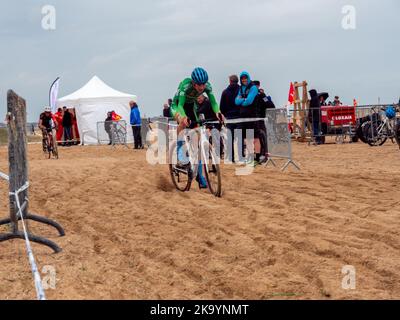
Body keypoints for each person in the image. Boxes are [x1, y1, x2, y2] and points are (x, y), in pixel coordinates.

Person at [170, 67, 224, 189]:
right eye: (199, 85)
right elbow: (180, 105)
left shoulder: (207, 86)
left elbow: (214, 103)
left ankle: (199, 175)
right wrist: (183, 117)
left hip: (191, 106)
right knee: (183, 123)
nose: (201, 87)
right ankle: (180, 154)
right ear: (193, 83)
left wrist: (218, 112)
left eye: (203, 84)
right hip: (178, 105)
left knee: (198, 138)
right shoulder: (185, 85)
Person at [235, 71, 261, 166]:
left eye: (245, 78)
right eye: (242, 78)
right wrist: (243, 100)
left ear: (248, 78)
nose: (244, 80)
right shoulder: (241, 88)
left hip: (252, 116)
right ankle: (250, 157)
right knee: (247, 139)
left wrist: (242, 100)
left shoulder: (253, 87)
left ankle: (257, 158)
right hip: (243, 116)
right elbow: (236, 101)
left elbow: (249, 101)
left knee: (256, 138)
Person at [220, 75, 240, 162]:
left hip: (230, 118)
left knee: (230, 139)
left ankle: (231, 158)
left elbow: (222, 107)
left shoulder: (225, 92)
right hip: (240, 117)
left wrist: (226, 114)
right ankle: (241, 157)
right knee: (240, 138)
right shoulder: (241, 90)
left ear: (230, 81)